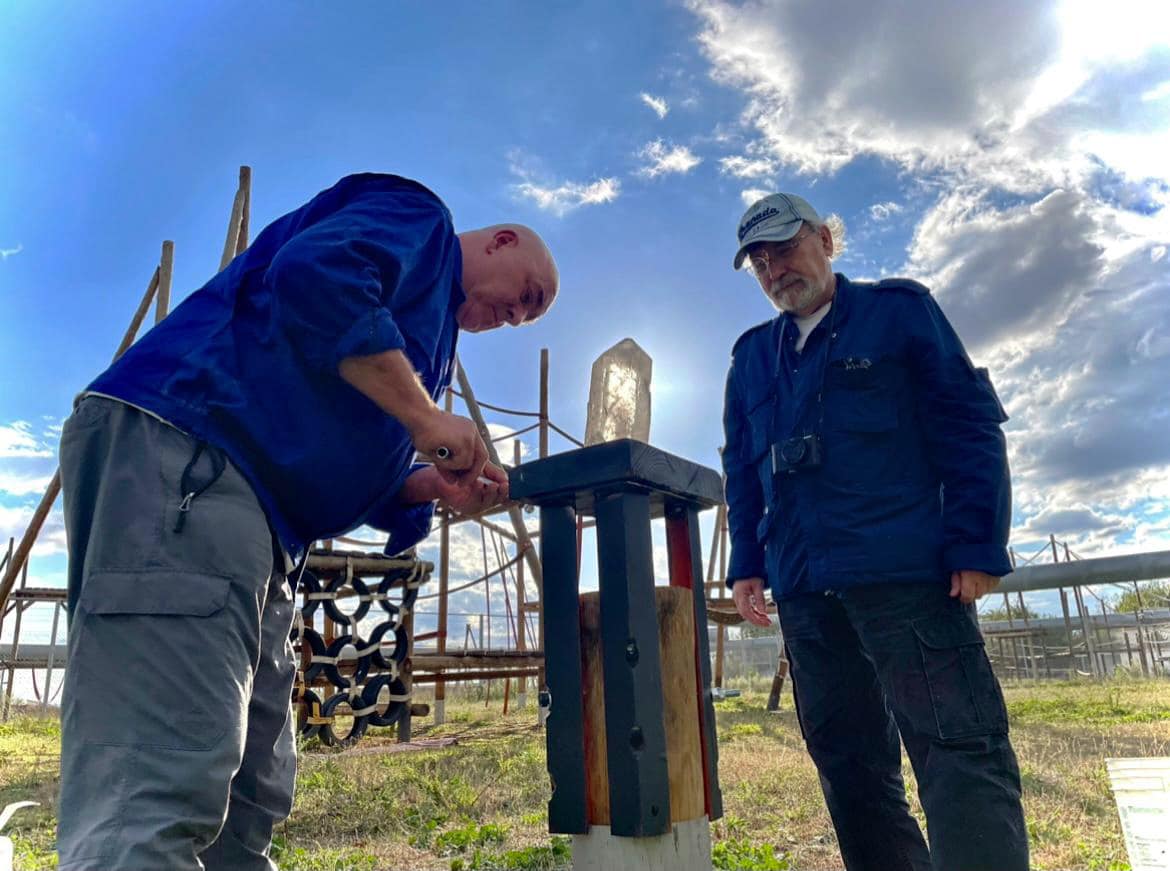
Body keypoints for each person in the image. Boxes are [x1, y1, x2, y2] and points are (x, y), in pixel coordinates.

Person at [55, 172, 559, 870]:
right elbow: (315, 274)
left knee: (251, 792)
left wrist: (434, 489)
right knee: (156, 781)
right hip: (191, 450)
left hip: (259, 517)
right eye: (525, 297)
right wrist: (424, 418)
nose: (514, 317)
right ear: (501, 241)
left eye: (525, 320)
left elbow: (364, 474)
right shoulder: (423, 224)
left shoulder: (426, 347)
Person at [722, 193, 1027, 871]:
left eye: (786, 248)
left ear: (827, 239)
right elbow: (743, 469)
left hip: (906, 578)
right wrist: (748, 562)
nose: (775, 270)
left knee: (957, 750)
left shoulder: (899, 312)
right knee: (850, 767)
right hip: (805, 590)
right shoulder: (749, 359)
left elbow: (969, 424)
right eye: (760, 261)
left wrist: (977, 543)